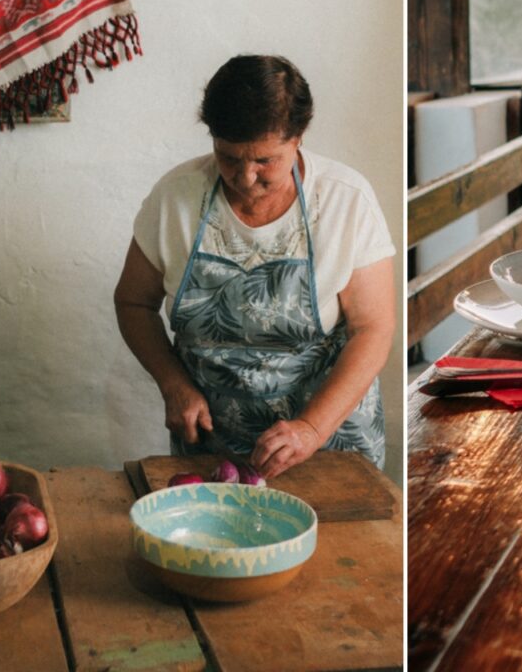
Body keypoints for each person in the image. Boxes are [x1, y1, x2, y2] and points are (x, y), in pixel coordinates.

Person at [115, 54, 394, 478]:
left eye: (265, 160)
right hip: (214, 444)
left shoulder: (344, 199)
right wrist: (173, 384)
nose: (245, 177)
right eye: (228, 157)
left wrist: (311, 428)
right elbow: (133, 303)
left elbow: (373, 328)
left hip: (328, 442)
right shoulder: (175, 198)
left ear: (298, 138)